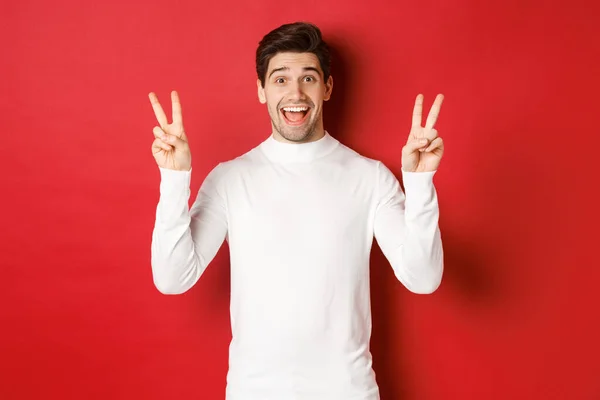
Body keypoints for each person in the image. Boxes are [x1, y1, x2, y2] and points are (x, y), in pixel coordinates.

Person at [148, 21, 444, 400]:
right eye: (280, 79)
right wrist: (174, 180)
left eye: (308, 78)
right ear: (261, 90)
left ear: (327, 88)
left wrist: (420, 184)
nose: (296, 92)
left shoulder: (369, 178)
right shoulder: (230, 180)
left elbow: (423, 278)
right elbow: (172, 278)